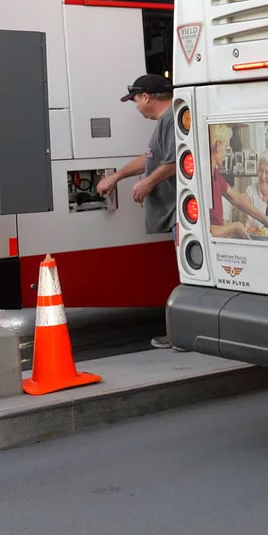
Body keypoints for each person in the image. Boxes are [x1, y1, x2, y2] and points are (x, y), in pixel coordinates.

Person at [96, 74, 179, 349]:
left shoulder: (170, 119)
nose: (135, 107)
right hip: (175, 214)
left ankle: (180, 334)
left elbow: (178, 160)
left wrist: (148, 181)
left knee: (189, 276)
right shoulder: (165, 121)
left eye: (134, 100)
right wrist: (118, 176)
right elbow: (151, 158)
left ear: (146, 96)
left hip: (180, 214)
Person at [207, 133, 268, 240]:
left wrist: (265, 219)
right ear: (218, 145)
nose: (225, 154)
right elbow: (203, 230)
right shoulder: (203, 177)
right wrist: (234, 227)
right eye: (226, 147)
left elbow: (236, 198)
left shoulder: (215, 173)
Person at [243, 155, 268, 238]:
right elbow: (246, 220)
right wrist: (245, 223)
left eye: (267, 172)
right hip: (256, 242)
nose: (263, 176)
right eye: (260, 171)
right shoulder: (250, 192)